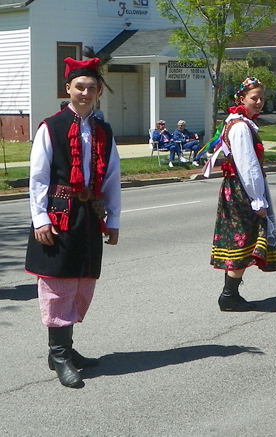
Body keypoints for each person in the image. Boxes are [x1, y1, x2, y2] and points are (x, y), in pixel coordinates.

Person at [25, 57, 122, 388]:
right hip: (59, 213)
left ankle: (64, 348)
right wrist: (40, 219)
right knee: (58, 283)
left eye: (92, 88)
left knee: (82, 280)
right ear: (68, 89)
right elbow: (38, 178)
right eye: (80, 87)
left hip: (90, 215)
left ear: (97, 93)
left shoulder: (104, 131)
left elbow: (111, 179)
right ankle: (59, 354)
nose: (85, 92)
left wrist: (114, 221)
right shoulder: (50, 127)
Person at [209, 77, 276, 311]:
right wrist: (257, 199)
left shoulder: (239, 122)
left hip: (238, 189)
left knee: (241, 241)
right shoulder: (240, 126)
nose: (259, 102)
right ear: (241, 99)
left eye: (262, 98)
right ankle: (228, 296)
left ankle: (230, 294)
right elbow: (247, 166)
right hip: (242, 191)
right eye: (254, 98)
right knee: (245, 240)